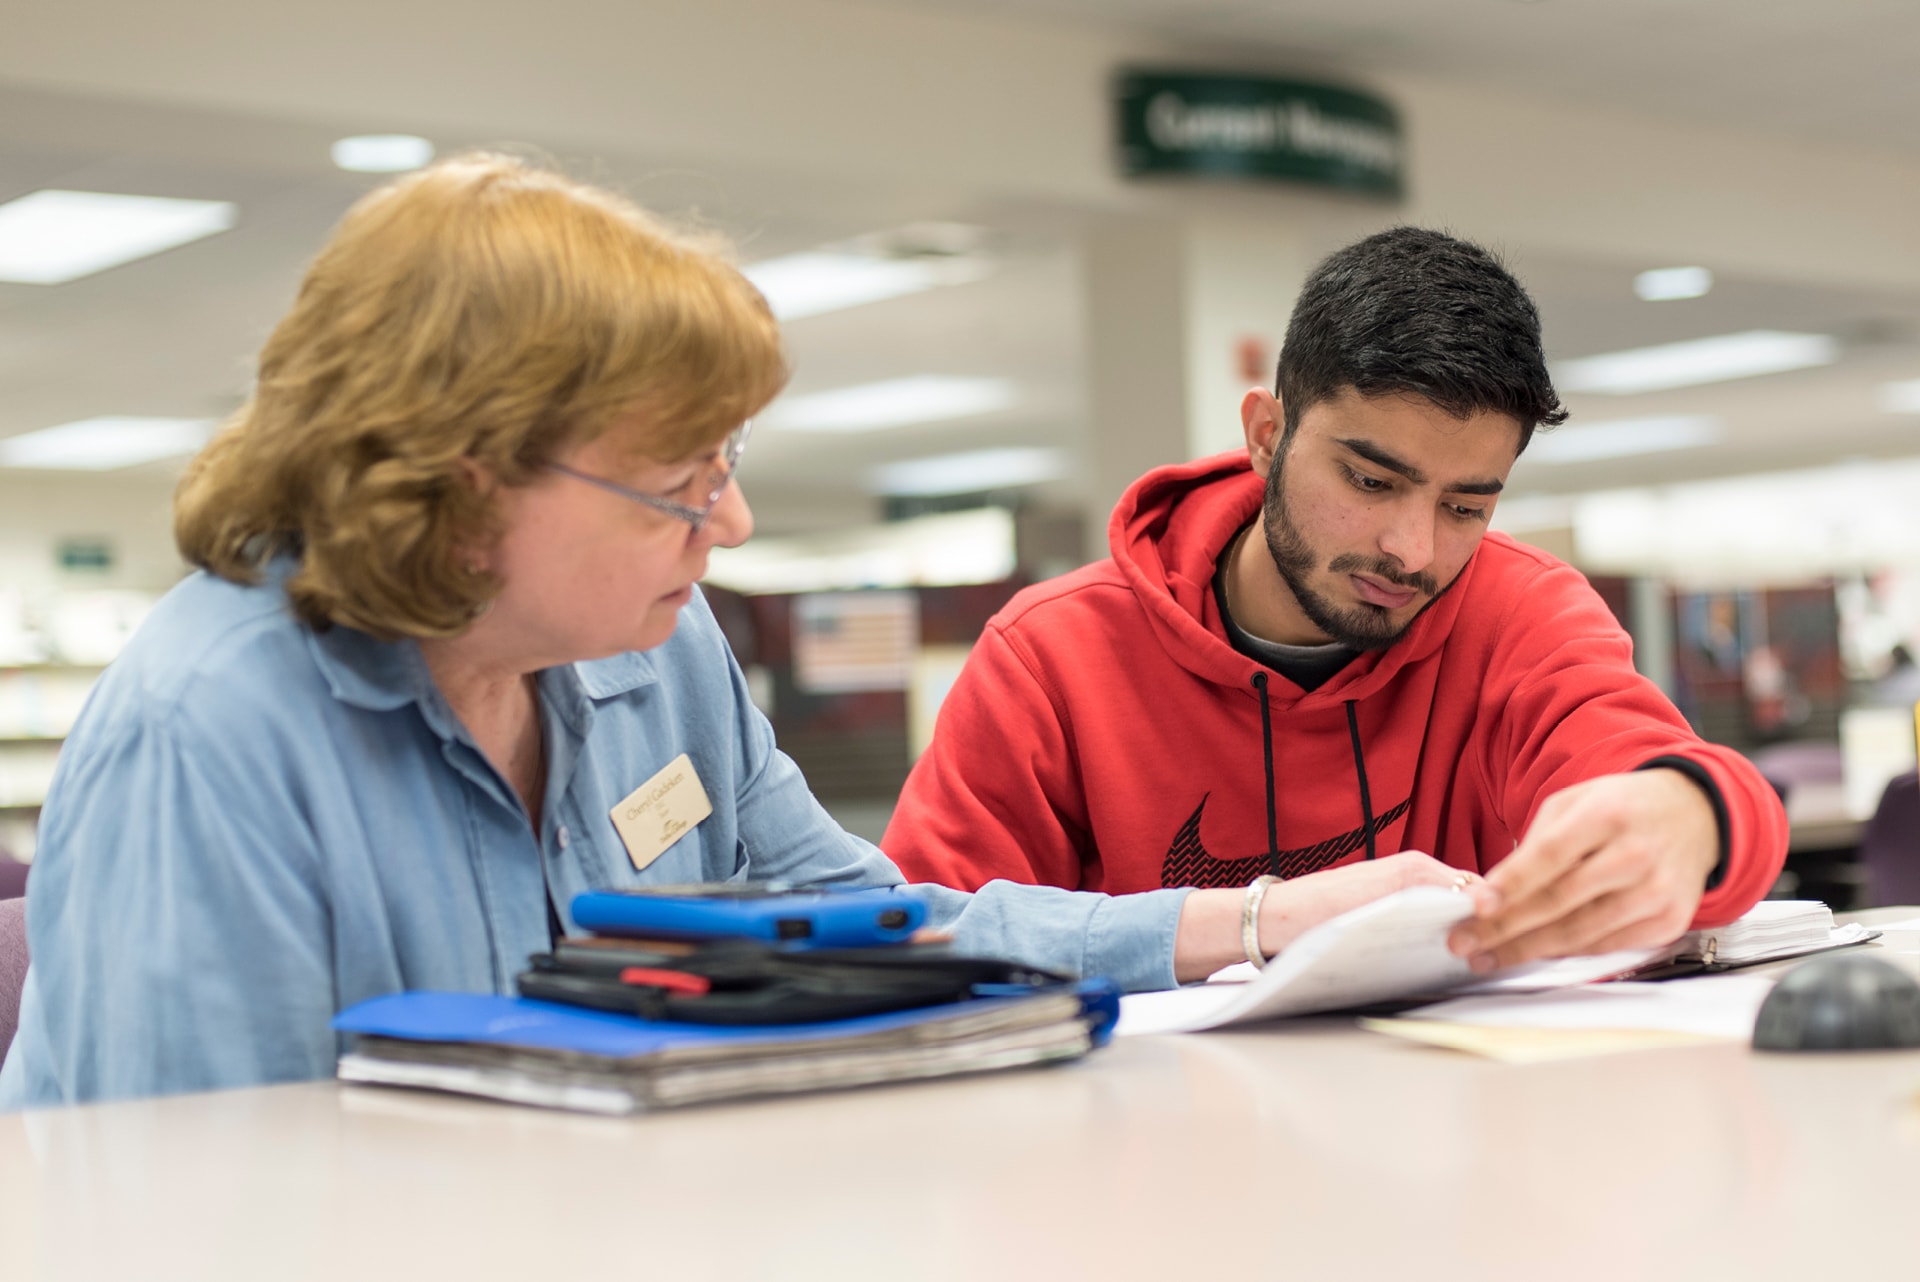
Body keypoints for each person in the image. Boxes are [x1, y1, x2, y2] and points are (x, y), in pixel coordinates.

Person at [0, 158, 1478, 1111]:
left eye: (731, 463)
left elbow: (888, 932)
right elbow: (189, 1216)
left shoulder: (654, 649)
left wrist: (1257, 919)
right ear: (465, 477)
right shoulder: (213, 733)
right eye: (677, 483)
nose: (733, 525)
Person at [886, 228, 1788, 972]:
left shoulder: (1519, 610)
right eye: (1369, 479)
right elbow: (917, 933)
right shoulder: (1054, 656)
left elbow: (1669, 773)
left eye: (1465, 505)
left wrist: (1689, 812)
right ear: (1266, 435)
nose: (1413, 548)